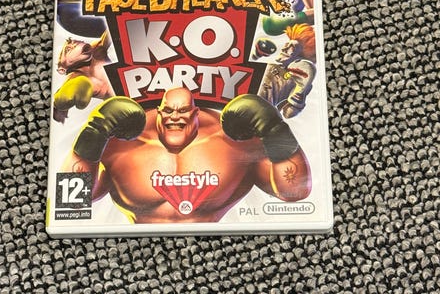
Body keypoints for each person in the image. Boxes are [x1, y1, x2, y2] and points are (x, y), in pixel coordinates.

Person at [62, 87, 311, 223]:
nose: (174, 117)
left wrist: (274, 128)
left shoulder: (234, 144)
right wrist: (93, 132)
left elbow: (295, 191)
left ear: (195, 113)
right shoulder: (120, 145)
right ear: (159, 112)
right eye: (168, 111)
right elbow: (72, 199)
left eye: (182, 111)